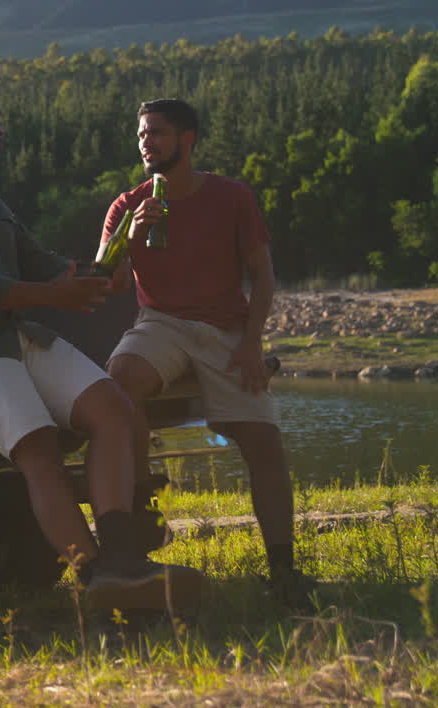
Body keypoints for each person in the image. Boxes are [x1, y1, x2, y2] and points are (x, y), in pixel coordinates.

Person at [0, 83, 202, 613]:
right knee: (40, 448)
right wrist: (54, 295)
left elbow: (50, 268)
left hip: (19, 337)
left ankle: (124, 560)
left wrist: (117, 255)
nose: (3, 127)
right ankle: (96, 577)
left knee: (115, 410)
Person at [100, 98, 316, 606]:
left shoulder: (231, 196)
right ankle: (143, 514)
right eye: (141, 134)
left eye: (156, 133)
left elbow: (262, 274)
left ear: (187, 139)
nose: (146, 143)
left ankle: (283, 571)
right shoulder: (128, 204)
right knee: (119, 381)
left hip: (226, 328)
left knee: (263, 440)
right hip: (160, 322)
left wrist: (252, 341)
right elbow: (106, 281)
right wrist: (132, 233)